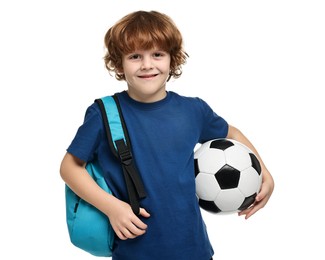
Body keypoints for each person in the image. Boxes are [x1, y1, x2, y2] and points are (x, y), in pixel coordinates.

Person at [60, 10, 274, 260]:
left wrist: (265, 173)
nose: (147, 64)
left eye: (157, 54)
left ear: (173, 59)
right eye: (135, 56)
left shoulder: (193, 110)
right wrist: (112, 208)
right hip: (134, 251)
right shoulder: (104, 113)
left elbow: (232, 133)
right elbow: (70, 167)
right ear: (119, 63)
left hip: (195, 251)